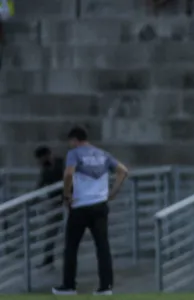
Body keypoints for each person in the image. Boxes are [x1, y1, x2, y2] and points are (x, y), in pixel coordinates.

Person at [52, 126, 128, 296]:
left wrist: (66, 195)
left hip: (80, 206)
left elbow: (68, 174)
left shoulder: (75, 153)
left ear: (74, 140)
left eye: (70, 142)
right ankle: (106, 287)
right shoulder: (103, 154)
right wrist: (113, 192)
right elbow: (123, 171)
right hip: (100, 205)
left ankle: (69, 286)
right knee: (103, 247)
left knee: (71, 247)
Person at [34, 146, 65, 268]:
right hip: (56, 203)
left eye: (41, 159)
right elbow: (40, 184)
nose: (40, 162)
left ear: (47, 155)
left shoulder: (61, 163)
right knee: (50, 231)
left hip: (70, 201)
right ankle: (48, 259)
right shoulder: (45, 169)